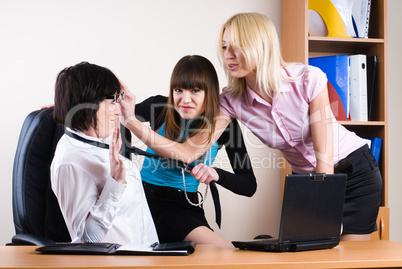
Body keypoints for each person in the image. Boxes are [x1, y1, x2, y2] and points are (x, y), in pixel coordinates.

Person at [120, 13, 382, 241]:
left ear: (260, 45)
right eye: (224, 47)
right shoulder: (231, 101)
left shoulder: (308, 80)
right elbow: (188, 152)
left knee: (343, 257)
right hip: (306, 181)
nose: (227, 56)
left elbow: (323, 160)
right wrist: (130, 121)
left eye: (236, 47)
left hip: (354, 173)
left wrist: (323, 215)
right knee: (308, 256)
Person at [132, 55, 256, 245]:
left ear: (210, 92)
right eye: (178, 90)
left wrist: (216, 174)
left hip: (189, 204)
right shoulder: (159, 107)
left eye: (195, 91)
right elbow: (116, 117)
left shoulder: (225, 124)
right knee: (222, 252)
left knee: (222, 257)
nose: (185, 99)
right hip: (147, 199)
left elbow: (249, 185)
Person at [51, 62, 158, 245]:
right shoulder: (69, 162)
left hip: (146, 257)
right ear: (89, 104)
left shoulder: (97, 138)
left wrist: (124, 105)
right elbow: (88, 236)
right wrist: (115, 182)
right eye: (113, 102)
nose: (118, 110)